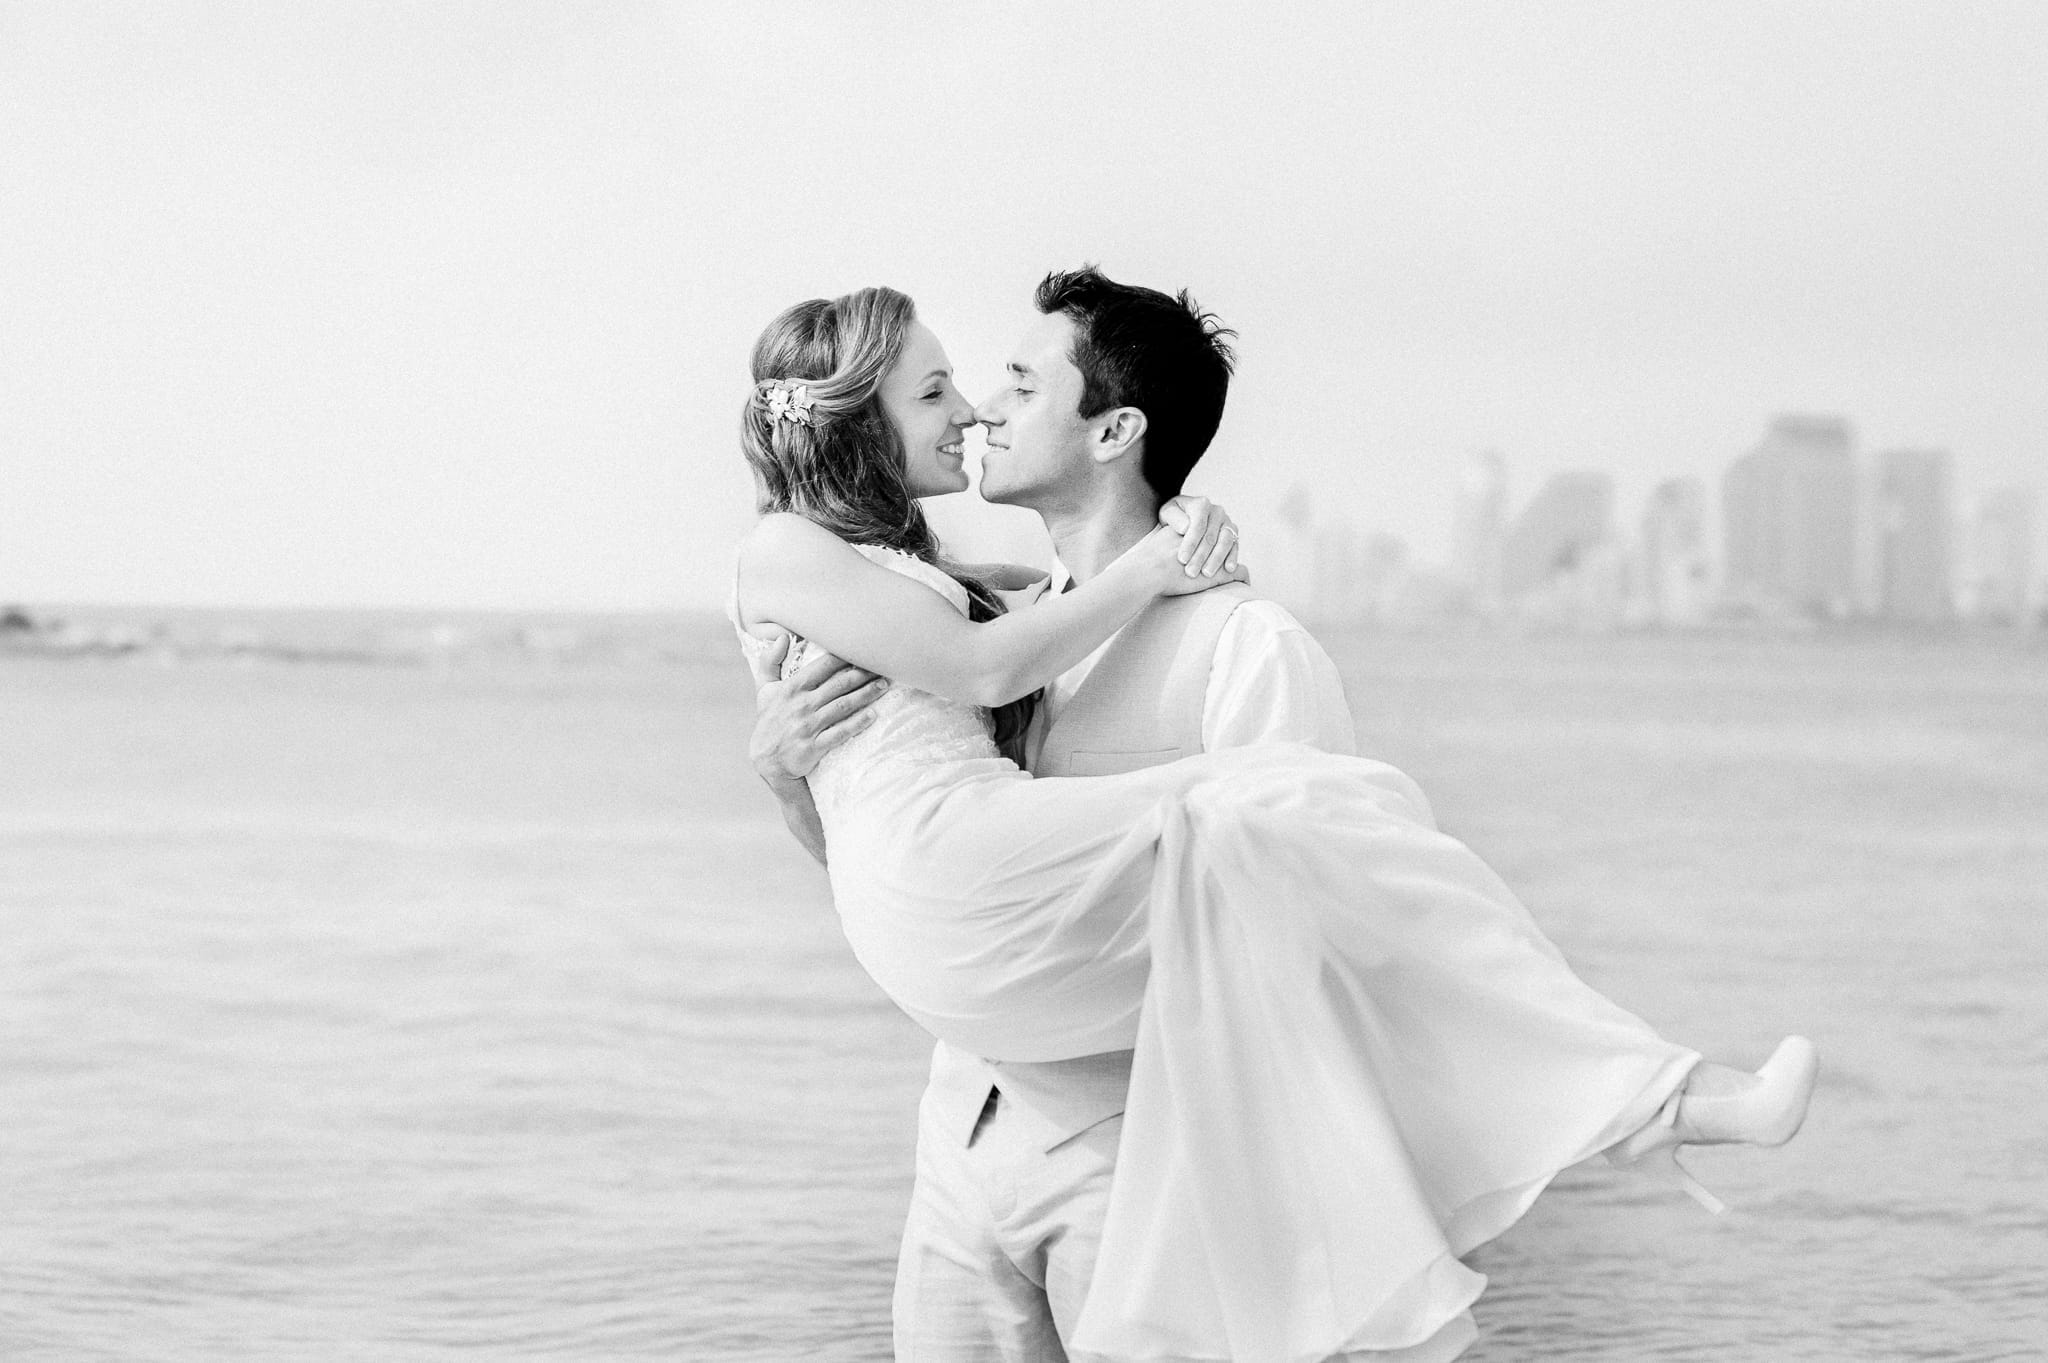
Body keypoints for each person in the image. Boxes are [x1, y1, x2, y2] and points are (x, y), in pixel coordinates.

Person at [729, 277, 1817, 1363]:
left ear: (1112, 429)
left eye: (1018, 380)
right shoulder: (989, 627)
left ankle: (1650, 1100)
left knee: (1334, 814)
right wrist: (786, 776)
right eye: (956, 387)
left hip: (1134, 1156)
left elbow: (1336, 938)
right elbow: (891, 863)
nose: (978, 408)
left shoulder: (1240, 641)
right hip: (962, 1139)